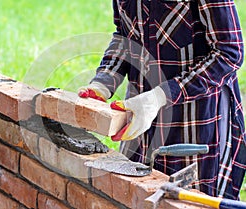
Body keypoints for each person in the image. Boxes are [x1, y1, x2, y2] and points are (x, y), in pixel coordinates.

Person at [78, 0, 246, 200]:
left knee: (189, 200)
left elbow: (228, 53)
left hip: (196, 123)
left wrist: (159, 97)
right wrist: (104, 82)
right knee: (136, 194)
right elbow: (125, 36)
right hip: (140, 116)